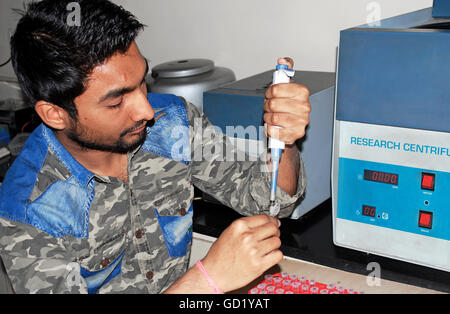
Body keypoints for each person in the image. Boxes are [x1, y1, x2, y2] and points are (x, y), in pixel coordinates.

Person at [0, 0, 311, 294]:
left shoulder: (173, 123)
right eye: (118, 100)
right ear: (55, 114)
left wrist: (283, 140)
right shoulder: (28, 210)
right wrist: (207, 280)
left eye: (142, 81)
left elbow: (269, 203)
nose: (146, 111)